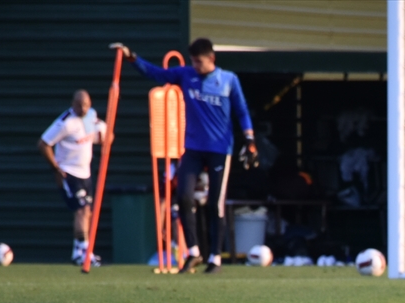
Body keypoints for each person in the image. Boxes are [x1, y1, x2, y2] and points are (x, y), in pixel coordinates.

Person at [110, 38, 256, 274]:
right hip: (193, 148)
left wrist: (250, 140)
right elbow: (156, 74)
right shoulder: (186, 75)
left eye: (199, 62)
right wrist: (132, 58)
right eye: (193, 61)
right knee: (184, 197)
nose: (196, 66)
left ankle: (215, 258)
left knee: (215, 204)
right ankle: (194, 252)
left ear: (211, 59)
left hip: (219, 150)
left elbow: (242, 110)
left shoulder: (228, 80)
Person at [38, 90, 106, 269]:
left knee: (87, 212)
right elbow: (44, 144)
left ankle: (77, 253)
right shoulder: (65, 123)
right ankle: (86, 253)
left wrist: (104, 136)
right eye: (79, 105)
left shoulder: (91, 116)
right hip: (69, 172)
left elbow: (99, 137)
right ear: (72, 104)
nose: (83, 109)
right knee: (81, 210)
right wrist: (56, 168)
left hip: (85, 173)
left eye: (86, 105)